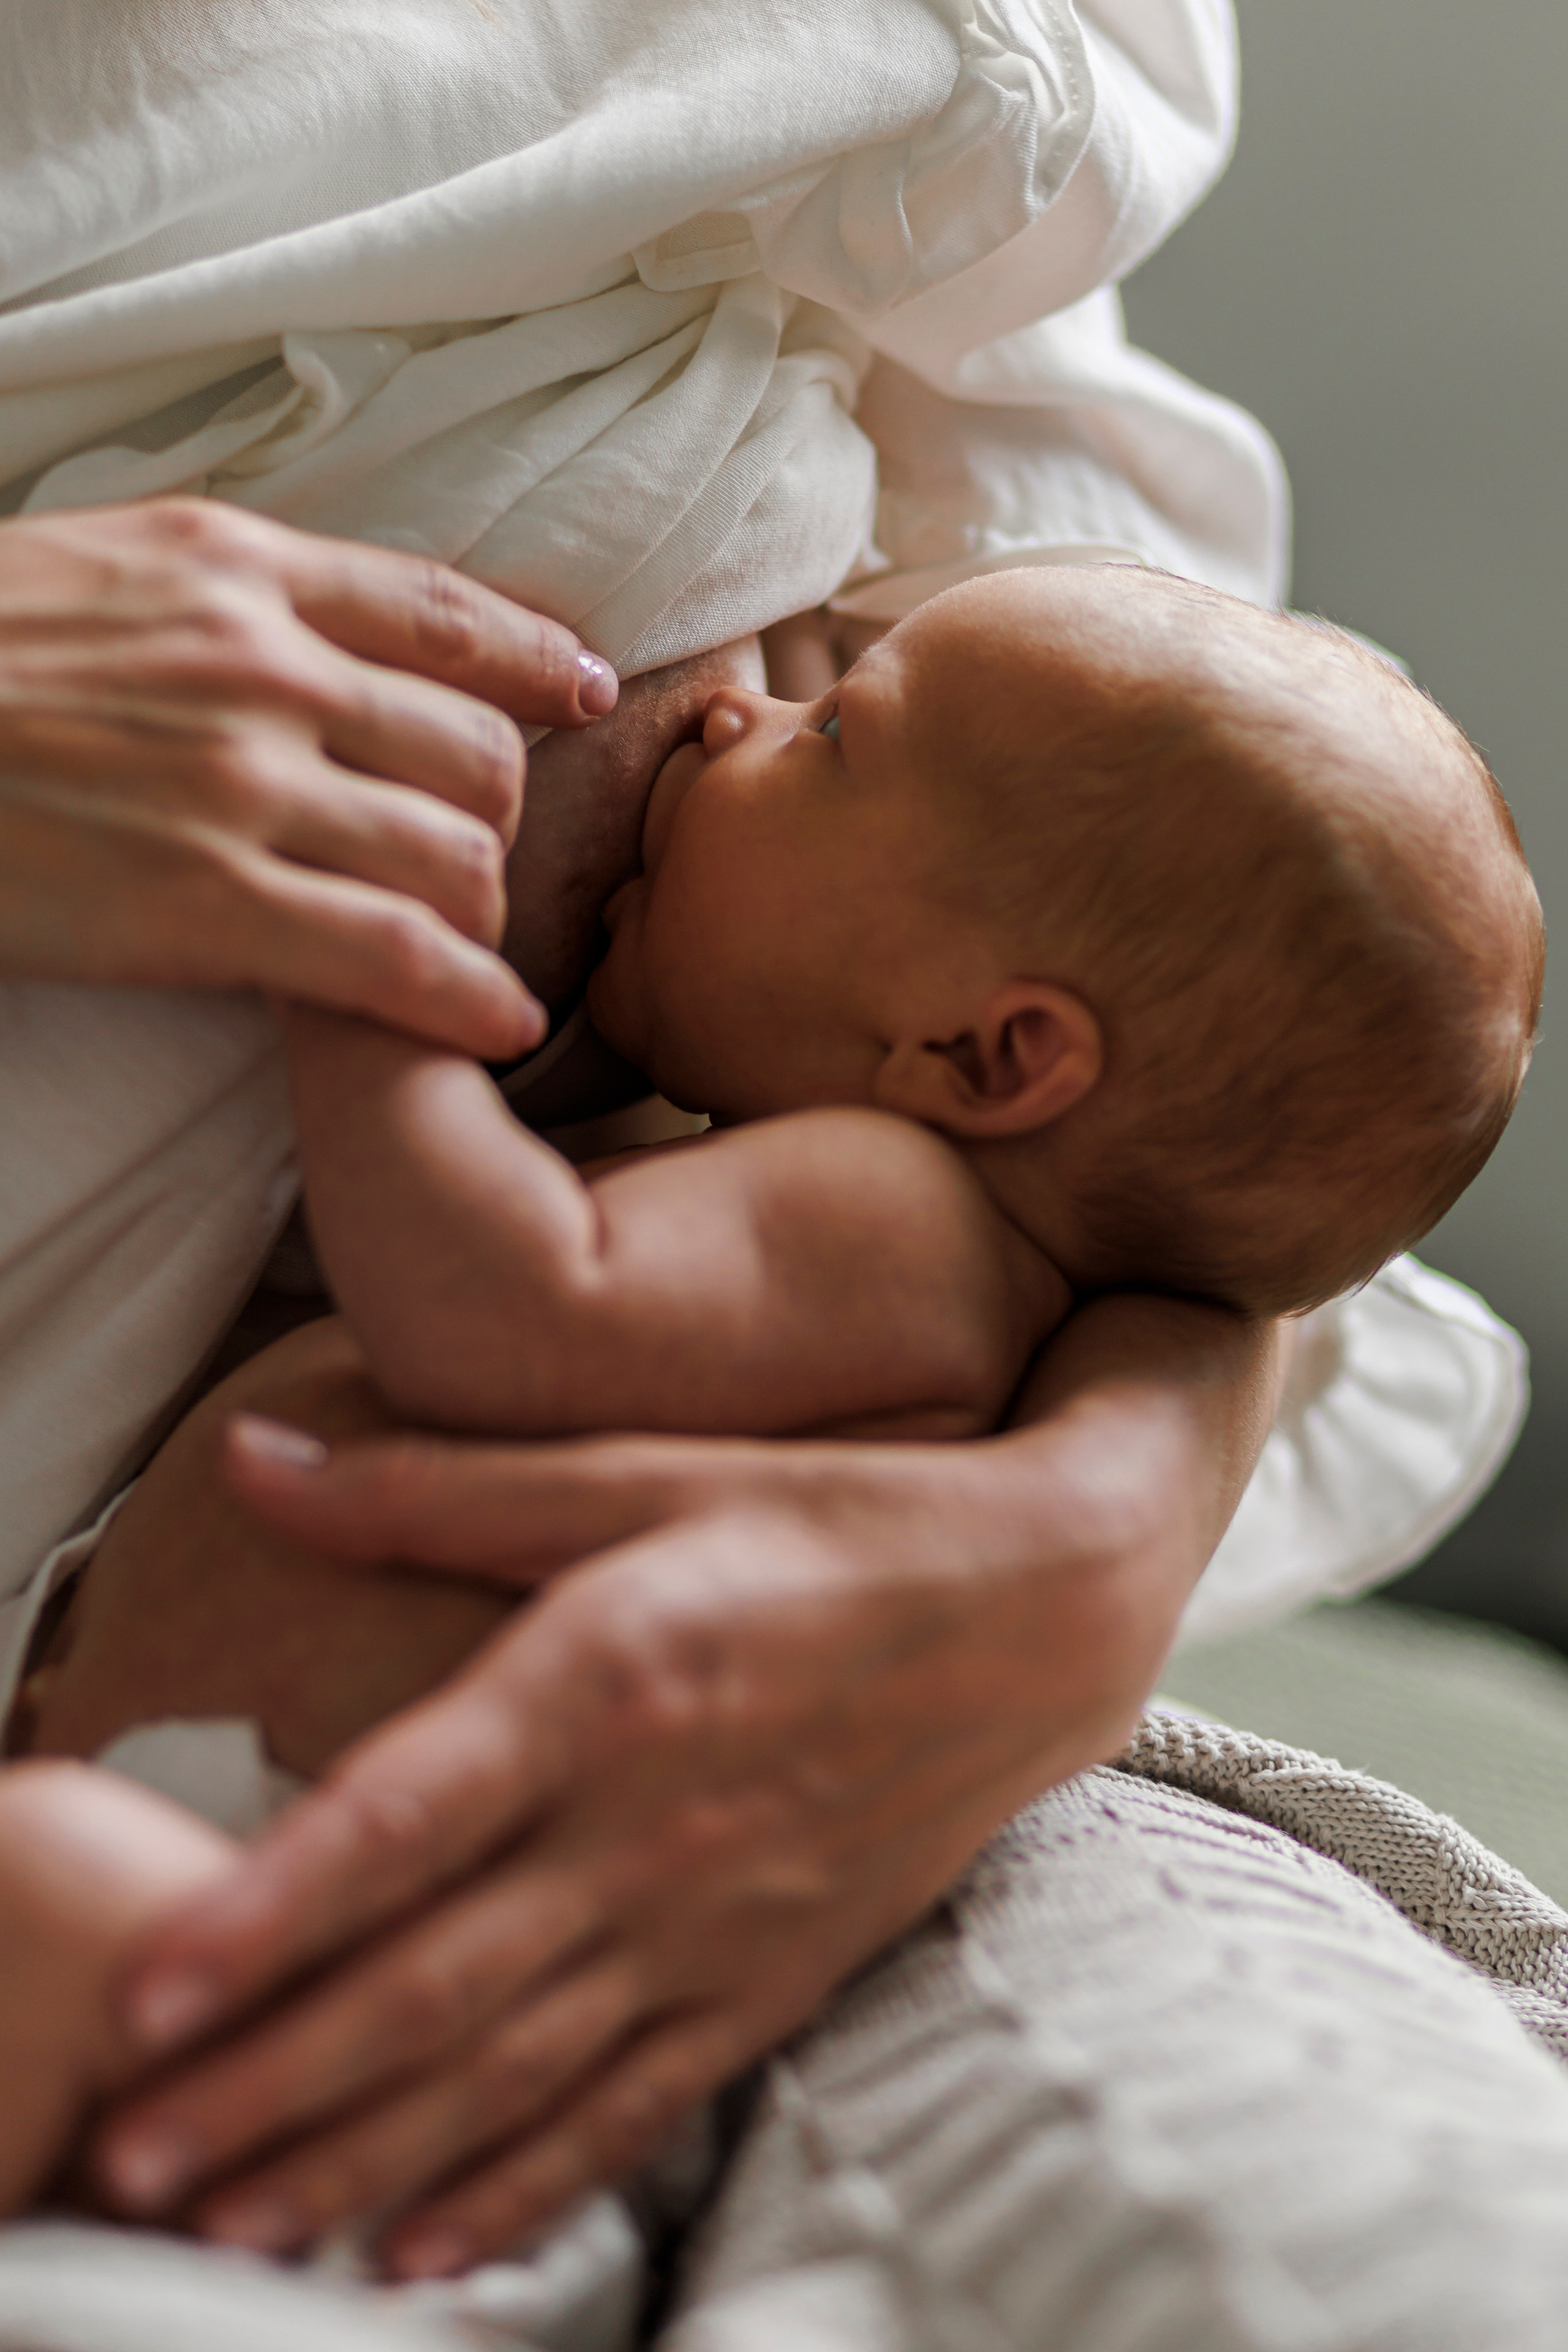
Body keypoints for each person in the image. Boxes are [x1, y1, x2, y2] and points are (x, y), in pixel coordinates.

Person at [0, 0, 1534, 2325]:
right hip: (306, 1793)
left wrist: (1114, 1495)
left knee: (1333, 2225)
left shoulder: (901, 1196)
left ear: (984, 1053)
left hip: (615, 1803)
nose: (743, 699)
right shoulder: (923, 1155)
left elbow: (1192, 898)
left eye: (835, 730)